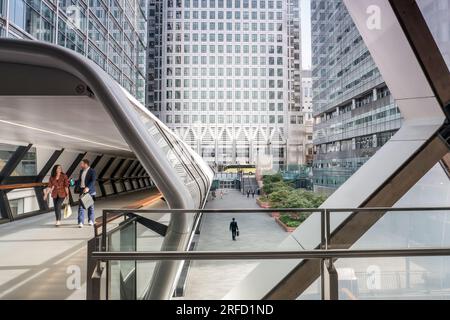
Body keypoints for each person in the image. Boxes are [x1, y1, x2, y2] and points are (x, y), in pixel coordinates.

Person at [74, 159, 97, 228]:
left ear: (86, 164)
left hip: (90, 191)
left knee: (90, 207)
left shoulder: (92, 171)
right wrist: (74, 183)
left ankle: (91, 220)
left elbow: (93, 181)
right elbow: (80, 180)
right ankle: (80, 222)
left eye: (82, 164)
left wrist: (88, 188)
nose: (80, 165)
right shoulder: (81, 171)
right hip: (82, 190)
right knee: (80, 207)